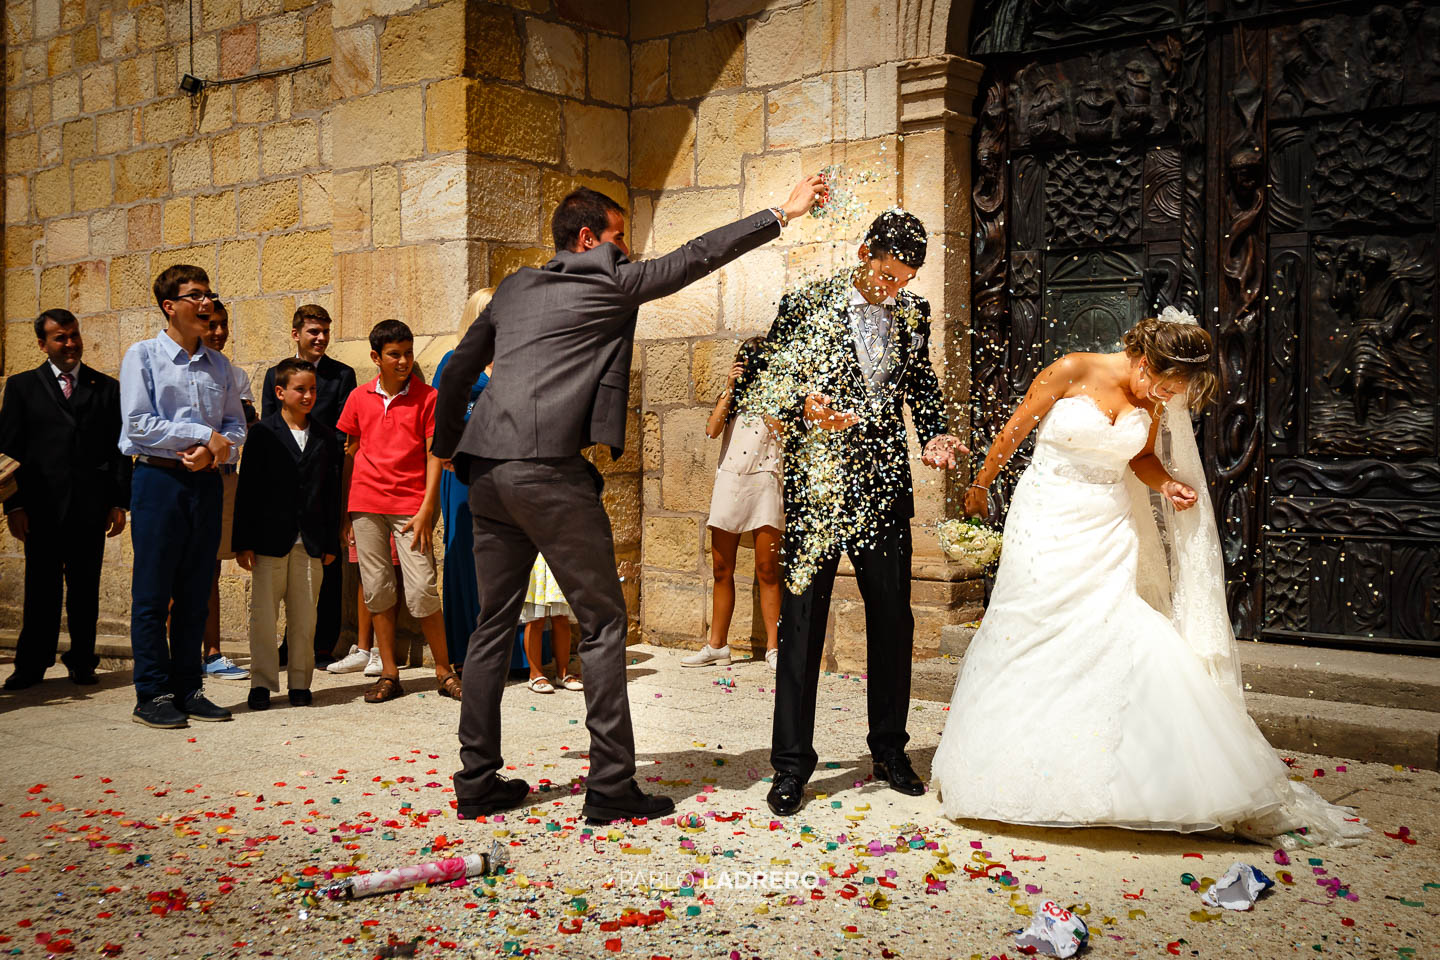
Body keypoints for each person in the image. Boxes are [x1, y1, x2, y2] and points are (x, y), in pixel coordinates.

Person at [434, 177, 826, 823]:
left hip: (488, 474)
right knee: (605, 622)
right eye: (621, 238)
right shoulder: (607, 280)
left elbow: (454, 372)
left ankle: (476, 780)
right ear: (587, 238)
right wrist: (781, 213)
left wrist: (450, 443)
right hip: (548, 475)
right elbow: (697, 255)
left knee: (490, 625)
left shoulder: (513, 288)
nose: (630, 252)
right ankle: (612, 786)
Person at [930, 309, 1368, 847]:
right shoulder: (1072, 368)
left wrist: (1168, 486)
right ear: (1140, 357)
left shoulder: (1153, 401)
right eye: (1157, 381)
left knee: (1114, 624)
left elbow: (1138, 458)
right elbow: (1019, 425)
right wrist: (980, 482)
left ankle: (1125, 771)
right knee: (1032, 621)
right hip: (1045, 514)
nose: (1160, 393)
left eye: (1171, 390)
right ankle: (1009, 766)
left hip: (1108, 524)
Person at [742, 210, 967, 817]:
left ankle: (890, 751)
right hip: (818, 484)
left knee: (893, 619)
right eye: (890, 275)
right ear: (866, 251)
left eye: (906, 281)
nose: (896, 290)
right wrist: (802, 406)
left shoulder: (912, 316)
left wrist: (936, 435)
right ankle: (791, 765)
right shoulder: (805, 302)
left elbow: (920, 386)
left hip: (885, 483)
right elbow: (764, 379)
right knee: (801, 623)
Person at [119, 264, 246, 728]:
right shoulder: (144, 356)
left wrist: (216, 452)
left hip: (204, 484)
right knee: (153, 593)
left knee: (196, 589)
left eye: (209, 294)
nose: (206, 303)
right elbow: (137, 423)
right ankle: (151, 693)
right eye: (196, 296)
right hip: (158, 482)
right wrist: (201, 437)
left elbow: (236, 426)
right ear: (170, 306)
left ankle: (189, 686)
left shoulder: (220, 366)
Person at [0, 309, 131, 689]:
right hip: (39, 508)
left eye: (74, 335)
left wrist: (119, 502)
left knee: (85, 587)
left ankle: (82, 661)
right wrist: (15, 505)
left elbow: (120, 449)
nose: (70, 343)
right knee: (40, 588)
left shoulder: (105, 387)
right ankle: (31, 664)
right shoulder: (23, 387)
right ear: (43, 344)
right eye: (61, 337)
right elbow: (8, 450)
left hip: (89, 506)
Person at [337, 319, 461, 703]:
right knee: (376, 590)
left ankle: (445, 671)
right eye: (395, 354)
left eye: (408, 353)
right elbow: (350, 456)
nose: (404, 360)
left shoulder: (428, 398)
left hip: (411, 506)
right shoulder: (358, 397)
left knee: (423, 588)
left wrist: (428, 509)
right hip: (366, 505)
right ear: (376, 357)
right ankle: (389, 673)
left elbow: (435, 456)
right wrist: (345, 514)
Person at [233, 358, 342, 710]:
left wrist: (329, 542)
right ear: (280, 392)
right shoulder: (263, 434)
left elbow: (330, 494)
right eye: (300, 389)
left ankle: (300, 682)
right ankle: (262, 684)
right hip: (269, 541)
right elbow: (247, 490)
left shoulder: (325, 437)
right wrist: (243, 542)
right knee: (263, 617)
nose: (308, 395)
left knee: (305, 618)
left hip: (309, 543)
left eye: (313, 389)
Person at [262, 304, 358, 670]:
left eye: (325, 331)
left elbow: (342, 431)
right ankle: (287, 641)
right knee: (286, 563)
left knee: (327, 561)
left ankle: (322, 643)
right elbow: (271, 427)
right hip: (285, 483)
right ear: (296, 334)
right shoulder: (276, 375)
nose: (320, 338)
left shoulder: (341, 375)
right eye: (313, 332)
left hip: (326, 479)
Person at [682, 338, 783, 670]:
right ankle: (717, 646)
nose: (750, 367)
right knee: (721, 569)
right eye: (746, 360)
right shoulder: (731, 398)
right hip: (730, 481)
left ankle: (773, 647)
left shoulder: (780, 396)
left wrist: (767, 392)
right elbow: (711, 430)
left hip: (765, 481)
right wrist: (729, 387)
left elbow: (785, 432)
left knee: (768, 570)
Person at [432, 289, 495, 671]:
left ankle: (515, 654)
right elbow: (441, 413)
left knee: (504, 557)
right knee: (465, 553)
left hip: (502, 469)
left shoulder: (513, 358)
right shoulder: (453, 360)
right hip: (461, 472)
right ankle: (467, 650)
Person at [199, 299, 256, 681]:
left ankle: (213, 651)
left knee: (212, 568)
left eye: (224, 324)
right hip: (184, 473)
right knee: (178, 567)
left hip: (224, 475)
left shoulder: (235, 376)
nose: (219, 332)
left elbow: (241, 428)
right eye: (211, 324)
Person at [520, 554, 581, 693]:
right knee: (536, 618)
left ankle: (563, 674)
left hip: (558, 554)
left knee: (561, 616)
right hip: (535, 557)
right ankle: (535, 674)